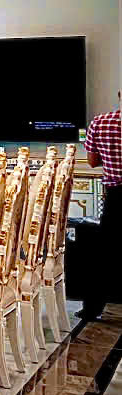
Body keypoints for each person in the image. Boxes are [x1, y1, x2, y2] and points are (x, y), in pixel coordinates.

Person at [82, 92, 121, 321]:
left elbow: (92, 161)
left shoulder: (100, 122)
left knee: (104, 255)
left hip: (116, 197)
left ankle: (92, 309)